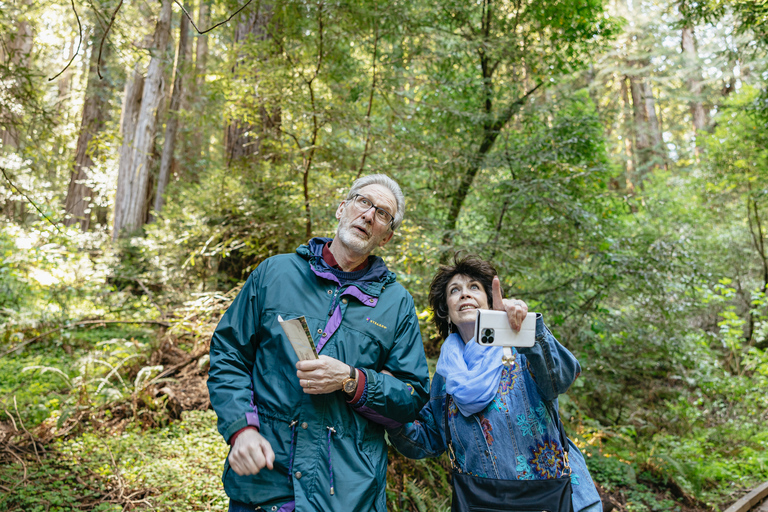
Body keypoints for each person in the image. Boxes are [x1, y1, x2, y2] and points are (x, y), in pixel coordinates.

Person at [207, 174, 430, 512]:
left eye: (383, 214)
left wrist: (352, 380)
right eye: (363, 202)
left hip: (347, 494)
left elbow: (412, 396)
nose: (369, 215)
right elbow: (229, 354)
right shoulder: (275, 274)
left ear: (386, 237)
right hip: (266, 485)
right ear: (342, 208)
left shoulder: (396, 304)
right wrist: (242, 429)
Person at [388, 254, 602, 512]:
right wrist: (385, 402)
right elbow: (428, 438)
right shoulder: (446, 378)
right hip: (486, 504)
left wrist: (525, 330)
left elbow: (562, 378)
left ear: (490, 302)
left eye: (474, 288)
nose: (464, 294)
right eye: (454, 290)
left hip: (559, 499)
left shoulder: (522, 350)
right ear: (447, 312)